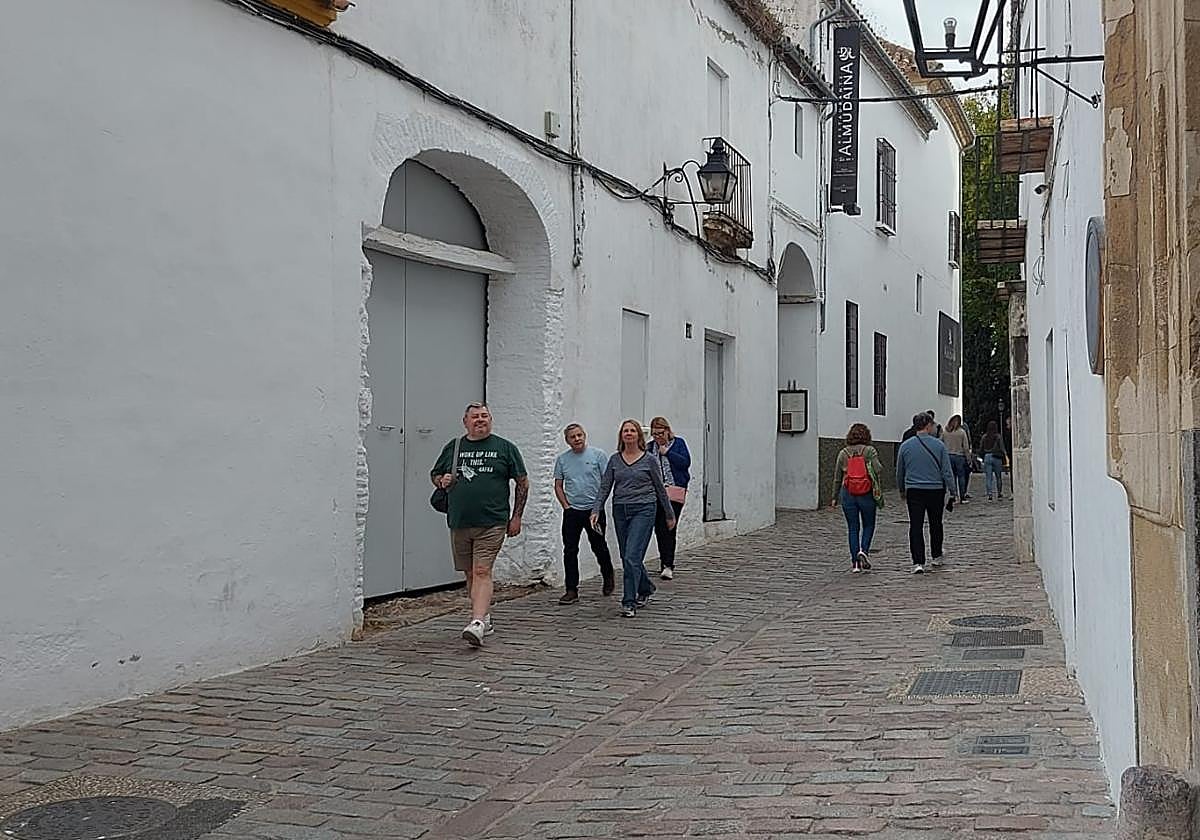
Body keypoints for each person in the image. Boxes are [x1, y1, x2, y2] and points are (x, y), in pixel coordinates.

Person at [431, 403, 528, 647]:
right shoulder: (454, 448)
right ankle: (484, 615)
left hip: (492, 521)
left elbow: (522, 483)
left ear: (491, 420)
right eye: (475, 417)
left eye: (484, 416)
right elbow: (435, 475)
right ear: (465, 422)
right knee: (471, 573)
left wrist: (516, 516)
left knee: (482, 570)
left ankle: (476, 623)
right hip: (460, 521)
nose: (480, 420)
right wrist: (442, 480)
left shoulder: (505, 448)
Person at [591, 420, 674, 617]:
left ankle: (629, 602)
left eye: (632, 430)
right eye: (625, 431)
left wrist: (669, 514)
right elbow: (605, 487)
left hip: (644, 509)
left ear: (639, 435)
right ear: (621, 436)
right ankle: (645, 588)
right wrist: (596, 509)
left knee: (631, 556)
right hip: (620, 510)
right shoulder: (614, 460)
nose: (628, 433)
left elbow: (660, 488)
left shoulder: (649, 460)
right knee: (628, 557)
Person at [553, 423, 615, 604]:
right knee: (570, 550)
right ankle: (571, 589)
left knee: (599, 546)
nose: (577, 439)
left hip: (594, 511)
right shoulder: (563, 460)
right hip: (572, 511)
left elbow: (606, 483)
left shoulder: (598, 455)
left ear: (584, 435)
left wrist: (598, 506)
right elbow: (558, 485)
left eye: (579, 435)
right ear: (567, 441)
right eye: (573, 437)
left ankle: (608, 575)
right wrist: (566, 506)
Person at [896, 412, 957, 574]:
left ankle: (918, 561)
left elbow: (900, 470)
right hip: (935, 489)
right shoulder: (939, 446)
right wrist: (953, 491)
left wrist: (901, 488)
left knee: (915, 525)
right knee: (936, 523)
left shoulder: (906, 446)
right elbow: (946, 471)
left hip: (914, 490)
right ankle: (936, 555)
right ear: (928, 426)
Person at [829, 423, 885, 573]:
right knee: (869, 524)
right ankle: (864, 551)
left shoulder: (843, 453)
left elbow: (837, 477)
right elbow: (878, 468)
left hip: (848, 493)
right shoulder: (869, 451)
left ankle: (855, 564)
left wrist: (834, 497)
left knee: (853, 528)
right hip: (866, 492)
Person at [647, 417, 691, 580]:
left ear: (667, 431)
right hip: (655, 492)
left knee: (669, 525)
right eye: (654, 434)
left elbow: (685, 463)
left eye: (660, 433)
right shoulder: (650, 447)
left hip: (674, 491)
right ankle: (664, 562)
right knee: (659, 528)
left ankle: (668, 564)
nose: (658, 437)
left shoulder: (678, 443)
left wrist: (668, 453)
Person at [942, 415, 974, 502]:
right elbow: (966, 447)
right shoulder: (961, 432)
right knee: (961, 476)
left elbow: (941, 443)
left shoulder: (945, 432)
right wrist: (968, 459)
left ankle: (953, 495)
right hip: (959, 456)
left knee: (952, 477)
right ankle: (962, 496)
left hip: (948, 456)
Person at [980, 420, 1008, 501]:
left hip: (987, 456)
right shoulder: (998, 437)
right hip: (996, 457)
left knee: (989, 477)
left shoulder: (984, 437)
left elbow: (981, 448)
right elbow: (1002, 448)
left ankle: (990, 494)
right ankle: (999, 493)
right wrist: (1005, 456)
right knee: (998, 476)